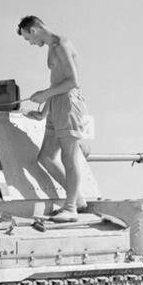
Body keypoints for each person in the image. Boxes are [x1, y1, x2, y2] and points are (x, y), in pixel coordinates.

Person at [17, 15, 95, 223]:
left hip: (69, 104)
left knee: (69, 158)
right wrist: (43, 112)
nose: (31, 44)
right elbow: (57, 81)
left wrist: (44, 95)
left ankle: (70, 208)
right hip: (57, 105)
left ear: (33, 30)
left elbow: (73, 82)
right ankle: (76, 199)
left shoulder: (61, 45)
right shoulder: (52, 47)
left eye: (28, 39)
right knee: (46, 157)